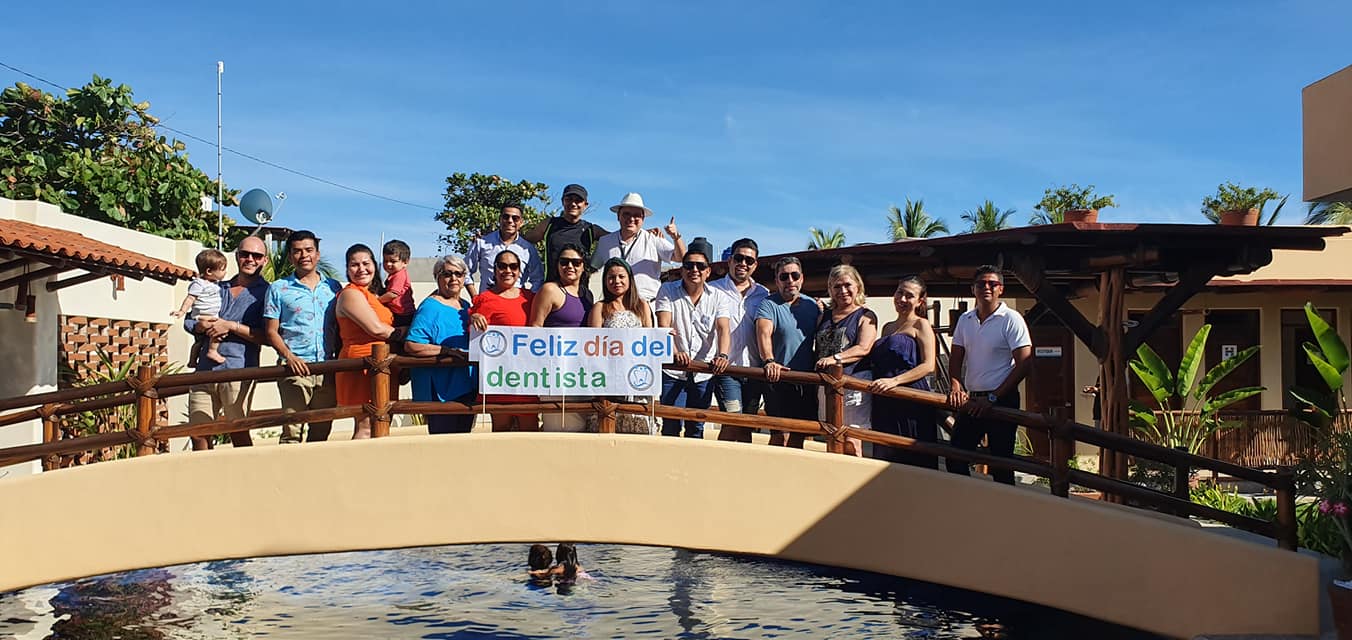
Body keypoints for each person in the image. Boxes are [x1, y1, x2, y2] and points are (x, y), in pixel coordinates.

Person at [945, 265, 1033, 485]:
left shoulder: (1011, 319)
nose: (986, 287)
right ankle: (968, 503)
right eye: (981, 283)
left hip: (1002, 399)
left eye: (992, 283)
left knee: (1001, 463)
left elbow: (1025, 363)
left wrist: (994, 397)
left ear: (1000, 289)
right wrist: (955, 384)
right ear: (972, 289)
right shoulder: (965, 320)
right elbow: (956, 357)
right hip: (972, 399)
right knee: (955, 456)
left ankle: (1003, 513)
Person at [185, 237, 271, 450]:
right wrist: (201, 327)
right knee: (199, 434)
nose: (250, 259)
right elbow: (188, 320)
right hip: (204, 369)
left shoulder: (269, 293)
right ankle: (205, 482)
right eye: (245, 254)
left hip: (239, 370)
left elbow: (268, 336)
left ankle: (246, 481)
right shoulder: (215, 286)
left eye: (256, 255)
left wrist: (231, 326)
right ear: (237, 256)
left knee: (238, 432)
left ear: (264, 261)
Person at [263, 230, 343, 444]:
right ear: (290, 256)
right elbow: (271, 331)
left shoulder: (333, 287)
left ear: (317, 254)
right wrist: (290, 357)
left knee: (322, 430)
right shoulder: (278, 288)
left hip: (327, 369)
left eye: (309, 250)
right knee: (292, 430)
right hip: (295, 369)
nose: (304, 255)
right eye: (297, 251)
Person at [655, 238, 731, 438]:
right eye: (689, 265)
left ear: (708, 271)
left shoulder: (718, 297)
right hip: (673, 370)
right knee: (670, 424)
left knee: (696, 427)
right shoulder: (667, 290)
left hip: (703, 372)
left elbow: (723, 329)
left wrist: (722, 355)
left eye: (700, 266)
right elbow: (664, 326)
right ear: (682, 270)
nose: (694, 270)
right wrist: (674, 352)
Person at [868, 277, 939, 468]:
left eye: (910, 295)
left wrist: (895, 381)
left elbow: (928, 365)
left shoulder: (921, 324)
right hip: (884, 399)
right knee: (885, 453)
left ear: (920, 301)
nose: (903, 299)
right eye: (900, 292)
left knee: (914, 455)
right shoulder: (887, 327)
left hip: (910, 397)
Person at [404, 254, 477, 434]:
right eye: (447, 274)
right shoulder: (429, 307)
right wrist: (447, 351)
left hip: (466, 386)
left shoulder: (466, 306)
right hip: (441, 391)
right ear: (437, 277)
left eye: (459, 274)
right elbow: (412, 345)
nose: (453, 279)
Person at [708, 238, 770, 443]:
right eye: (739, 258)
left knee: (747, 426)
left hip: (754, 370)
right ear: (730, 260)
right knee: (733, 420)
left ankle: (743, 470)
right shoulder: (713, 290)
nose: (743, 263)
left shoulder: (764, 294)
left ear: (755, 265)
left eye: (749, 260)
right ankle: (722, 467)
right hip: (727, 369)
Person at [586, 257, 656, 435]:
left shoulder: (642, 306)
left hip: (638, 379)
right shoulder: (600, 308)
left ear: (629, 279)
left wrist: (663, 337)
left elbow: (650, 338)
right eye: (611, 277)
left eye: (621, 276)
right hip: (610, 380)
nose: (616, 281)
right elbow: (592, 346)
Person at [758, 256, 823, 448]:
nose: (790, 281)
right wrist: (769, 360)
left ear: (801, 278)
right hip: (777, 380)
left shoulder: (813, 306)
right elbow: (763, 332)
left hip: (806, 380)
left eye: (794, 275)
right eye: (784, 277)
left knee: (799, 434)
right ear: (777, 280)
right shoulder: (768, 304)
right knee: (779, 434)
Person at [335, 244, 398, 439]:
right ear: (347, 269)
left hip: (383, 364)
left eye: (366, 263)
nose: (361, 269)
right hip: (361, 363)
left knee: (382, 420)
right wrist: (408, 336)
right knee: (365, 425)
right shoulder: (350, 294)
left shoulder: (373, 296)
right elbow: (376, 328)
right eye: (354, 265)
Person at [814, 264, 878, 457]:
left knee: (851, 439)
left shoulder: (865, 316)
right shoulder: (823, 316)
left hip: (852, 385)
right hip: (825, 386)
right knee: (830, 435)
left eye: (847, 285)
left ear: (857, 286)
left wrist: (835, 359)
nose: (843, 291)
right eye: (837, 286)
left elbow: (864, 348)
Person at [470, 250, 537, 432]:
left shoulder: (530, 298)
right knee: (501, 430)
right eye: (503, 266)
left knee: (530, 430)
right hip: (499, 378)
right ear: (495, 269)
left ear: (519, 270)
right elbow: (473, 336)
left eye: (513, 266)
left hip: (527, 377)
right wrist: (474, 317)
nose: (508, 270)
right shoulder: (484, 299)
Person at [528, 244, 591, 432]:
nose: (570, 266)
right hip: (555, 376)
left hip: (582, 375)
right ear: (557, 265)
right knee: (558, 430)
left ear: (583, 266)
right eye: (564, 262)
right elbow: (535, 328)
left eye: (576, 262)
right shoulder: (550, 290)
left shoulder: (587, 295)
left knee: (583, 429)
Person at [589, 192, 685, 301]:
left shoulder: (653, 239)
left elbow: (680, 258)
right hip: (615, 305)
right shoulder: (605, 242)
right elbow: (592, 268)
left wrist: (676, 237)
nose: (631, 218)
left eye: (636, 215)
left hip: (646, 304)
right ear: (618, 216)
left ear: (643, 218)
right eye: (626, 214)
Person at [522, 184, 608, 291]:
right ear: (563, 201)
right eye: (569, 199)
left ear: (585, 205)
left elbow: (617, 240)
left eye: (578, 200)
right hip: (551, 290)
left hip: (579, 292)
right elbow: (523, 241)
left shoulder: (591, 230)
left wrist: (595, 266)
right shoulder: (549, 224)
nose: (573, 203)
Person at [465, 204, 544, 295]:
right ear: (500, 219)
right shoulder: (481, 243)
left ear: (521, 222)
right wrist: (475, 297)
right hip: (487, 302)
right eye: (506, 217)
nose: (510, 221)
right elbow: (465, 271)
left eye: (515, 218)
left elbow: (538, 279)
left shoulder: (528, 249)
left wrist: (529, 300)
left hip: (516, 304)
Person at [173, 248, 229, 366]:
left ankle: (192, 361)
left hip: (212, 315)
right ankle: (212, 351)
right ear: (209, 271)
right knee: (218, 334)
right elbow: (190, 298)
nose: (225, 273)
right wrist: (182, 311)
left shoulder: (215, 284)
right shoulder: (198, 284)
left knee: (199, 341)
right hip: (203, 316)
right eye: (222, 270)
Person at [379, 239, 416, 327]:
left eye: (393, 261)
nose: (388, 264)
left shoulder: (399, 275)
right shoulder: (394, 275)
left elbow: (393, 294)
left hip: (403, 314)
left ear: (405, 262)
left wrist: (377, 300)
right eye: (385, 260)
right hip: (399, 312)